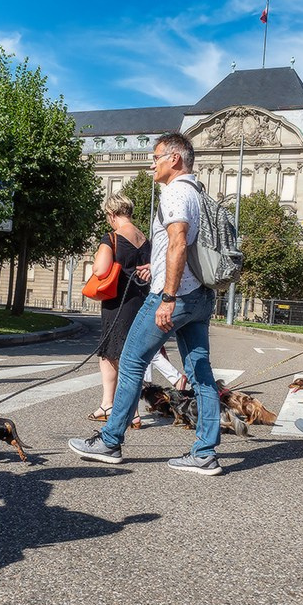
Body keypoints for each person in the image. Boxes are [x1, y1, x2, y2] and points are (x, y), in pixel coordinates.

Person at [68, 132, 223, 475]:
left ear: (174, 159)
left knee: (131, 361)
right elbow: (183, 246)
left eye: (156, 157)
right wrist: (156, 266)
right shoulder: (198, 192)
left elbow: (178, 243)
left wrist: (167, 296)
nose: (151, 164)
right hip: (200, 295)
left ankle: (110, 441)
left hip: (174, 296)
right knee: (200, 373)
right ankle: (205, 453)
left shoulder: (175, 192)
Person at [88, 193, 152, 423]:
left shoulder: (111, 238)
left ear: (112, 214)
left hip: (118, 302)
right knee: (130, 354)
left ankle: (116, 407)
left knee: (110, 354)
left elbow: (100, 270)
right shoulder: (144, 239)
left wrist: (98, 257)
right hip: (141, 301)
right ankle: (125, 409)